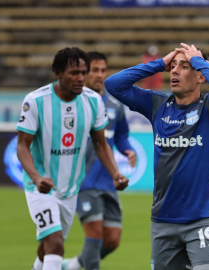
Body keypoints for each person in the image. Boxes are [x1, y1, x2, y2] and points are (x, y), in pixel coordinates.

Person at [105, 43, 209, 270]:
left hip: (203, 218)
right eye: (173, 66)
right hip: (163, 221)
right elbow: (113, 85)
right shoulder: (157, 104)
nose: (174, 71)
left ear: (201, 76)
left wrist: (199, 61)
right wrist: (158, 64)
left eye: (184, 67)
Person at [16, 47, 129, 270]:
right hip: (41, 188)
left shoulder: (93, 102)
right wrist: (37, 178)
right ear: (58, 72)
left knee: (47, 247)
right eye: (74, 73)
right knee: (56, 245)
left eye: (83, 73)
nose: (80, 78)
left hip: (71, 189)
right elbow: (22, 146)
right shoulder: (35, 101)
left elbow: (100, 143)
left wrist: (116, 173)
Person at [62, 52, 136, 270]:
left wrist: (128, 150)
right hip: (83, 180)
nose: (100, 75)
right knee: (94, 234)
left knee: (112, 239)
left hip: (109, 181)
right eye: (94, 70)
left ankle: (73, 265)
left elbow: (121, 135)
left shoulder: (114, 105)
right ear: (85, 73)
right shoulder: (73, 103)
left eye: (103, 70)